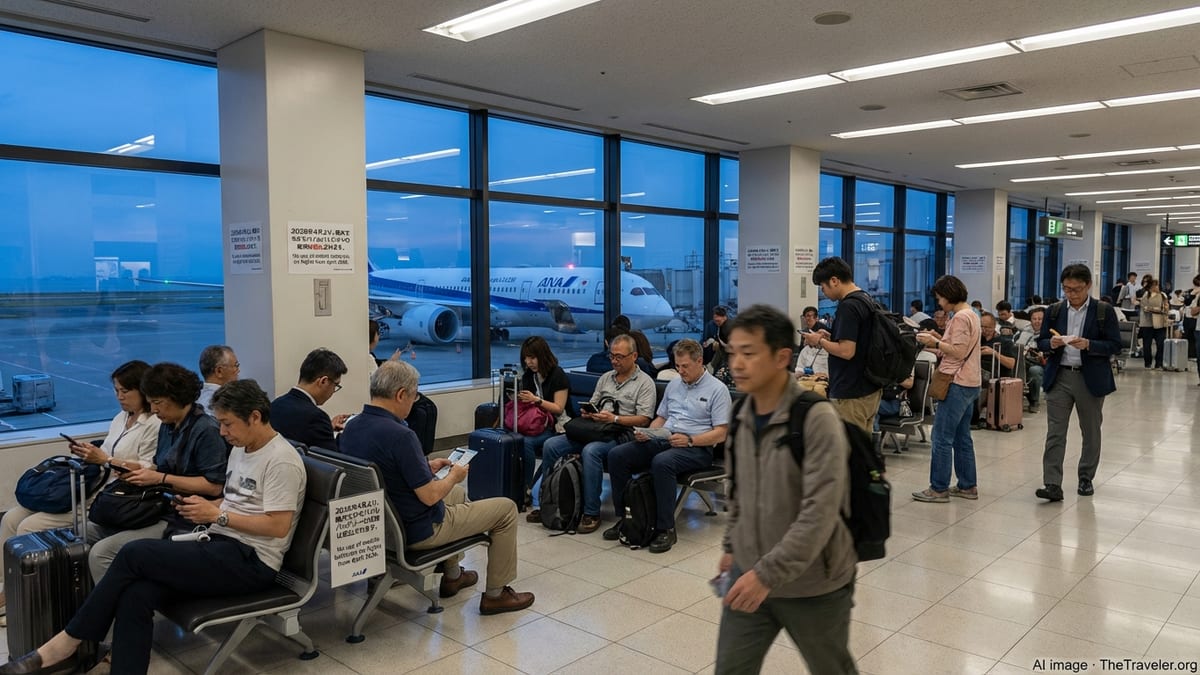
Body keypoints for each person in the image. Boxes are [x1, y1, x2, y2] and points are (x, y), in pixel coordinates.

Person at [0, 379, 306, 675]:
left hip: (253, 561)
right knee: (137, 593)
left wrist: (217, 516)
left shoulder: (281, 461)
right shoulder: (242, 449)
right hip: (220, 542)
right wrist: (210, 509)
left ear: (255, 417)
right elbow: (236, 502)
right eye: (221, 423)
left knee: (134, 553)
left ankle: (65, 645)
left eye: (228, 424)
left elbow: (277, 526)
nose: (223, 432)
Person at [714, 304, 857, 675]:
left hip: (814, 584)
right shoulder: (741, 412)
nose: (737, 364)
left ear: (781, 357)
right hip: (749, 574)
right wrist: (732, 545)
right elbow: (739, 490)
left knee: (831, 668)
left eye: (749, 353)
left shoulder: (816, 418)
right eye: (733, 353)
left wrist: (767, 574)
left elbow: (820, 513)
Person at [340, 361, 535, 615]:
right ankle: (496, 595)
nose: (414, 403)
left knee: (456, 495)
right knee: (506, 509)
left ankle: (452, 575)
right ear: (400, 394)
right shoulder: (401, 435)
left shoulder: (353, 426)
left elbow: (388, 470)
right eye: (414, 395)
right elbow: (430, 496)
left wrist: (425, 466)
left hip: (380, 525)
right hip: (417, 530)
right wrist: (455, 475)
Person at [0, 360, 162, 623]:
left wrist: (105, 460)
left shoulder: (154, 424)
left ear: (142, 390)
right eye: (116, 391)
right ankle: (9, 590)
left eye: (125, 391)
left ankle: (30, 600)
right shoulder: (121, 418)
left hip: (110, 498)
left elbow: (148, 468)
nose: (119, 397)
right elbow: (107, 453)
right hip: (91, 485)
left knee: (30, 527)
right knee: (10, 519)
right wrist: (90, 454)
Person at [87, 362, 228, 581]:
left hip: (184, 517)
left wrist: (159, 478)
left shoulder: (206, 430)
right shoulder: (168, 425)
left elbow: (214, 485)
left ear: (177, 398)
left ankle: (118, 611)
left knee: (102, 552)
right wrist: (137, 471)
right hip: (160, 506)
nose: (153, 410)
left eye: (157, 403)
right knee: (86, 531)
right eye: (151, 402)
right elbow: (159, 466)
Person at [605, 339, 731, 553]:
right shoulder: (674, 385)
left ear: (699, 361)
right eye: (677, 366)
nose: (680, 371)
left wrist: (690, 440)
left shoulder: (717, 390)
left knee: (662, 462)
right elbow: (661, 418)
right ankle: (627, 517)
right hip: (666, 439)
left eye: (685, 366)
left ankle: (666, 528)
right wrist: (650, 433)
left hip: (697, 448)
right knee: (618, 455)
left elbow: (721, 432)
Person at [537, 334, 656, 534]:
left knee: (591, 452)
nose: (615, 361)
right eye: (612, 356)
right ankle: (549, 502)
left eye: (620, 357)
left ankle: (591, 512)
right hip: (595, 429)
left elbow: (644, 419)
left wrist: (614, 419)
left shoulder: (644, 383)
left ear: (634, 356)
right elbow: (594, 402)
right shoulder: (605, 378)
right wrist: (589, 413)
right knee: (552, 445)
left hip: (620, 433)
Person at [1035, 264, 1123, 502]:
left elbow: (1115, 345)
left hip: (1090, 377)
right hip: (1060, 375)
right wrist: (1050, 344)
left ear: (1088, 286)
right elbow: (1041, 341)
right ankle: (1052, 483)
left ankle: (1086, 477)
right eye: (1067, 289)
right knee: (1055, 432)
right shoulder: (1053, 310)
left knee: (1091, 430)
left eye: (1077, 289)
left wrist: (1090, 345)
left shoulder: (1103, 311)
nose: (1071, 294)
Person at [913, 275, 982, 502]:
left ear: (949, 295)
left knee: (942, 437)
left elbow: (958, 352)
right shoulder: (972, 314)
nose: (939, 303)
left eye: (940, 298)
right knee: (963, 437)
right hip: (970, 382)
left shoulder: (961, 317)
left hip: (957, 382)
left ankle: (939, 488)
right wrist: (937, 339)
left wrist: (934, 343)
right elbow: (957, 346)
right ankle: (967, 485)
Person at [801, 256, 882, 433]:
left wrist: (819, 341)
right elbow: (859, 342)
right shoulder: (866, 299)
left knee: (849, 452)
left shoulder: (848, 306)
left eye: (823, 287)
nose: (823, 292)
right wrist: (831, 337)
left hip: (851, 392)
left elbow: (846, 351)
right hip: (869, 388)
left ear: (834, 280)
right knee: (862, 451)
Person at [513, 336, 568, 499]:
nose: (529, 362)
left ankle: (529, 486)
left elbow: (559, 408)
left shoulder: (557, 374)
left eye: (532, 358)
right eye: (526, 358)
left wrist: (536, 400)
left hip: (557, 425)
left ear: (542, 356)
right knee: (518, 439)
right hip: (537, 423)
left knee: (528, 443)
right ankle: (523, 485)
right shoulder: (529, 376)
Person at [270, 347, 349, 449]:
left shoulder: (276, 404)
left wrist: (327, 428)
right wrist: (347, 434)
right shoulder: (316, 418)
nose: (334, 391)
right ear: (323, 381)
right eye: (335, 385)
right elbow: (333, 460)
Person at [1137, 278, 1169, 370]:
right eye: (1155, 285)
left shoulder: (1163, 295)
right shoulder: (1145, 296)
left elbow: (1165, 308)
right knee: (1147, 345)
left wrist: (1156, 309)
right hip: (1147, 324)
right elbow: (1145, 308)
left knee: (1160, 344)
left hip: (1160, 323)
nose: (1157, 287)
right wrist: (1157, 309)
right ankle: (1148, 363)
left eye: (1158, 285)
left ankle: (1158, 363)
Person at [196, 345, 239, 411]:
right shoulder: (222, 403)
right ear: (219, 371)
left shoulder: (198, 397)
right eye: (236, 365)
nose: (238, 370)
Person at [1023, 307, 1047, 413]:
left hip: (1041, 364)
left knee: (1034, 371)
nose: (1037, 321)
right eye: (1034, 319)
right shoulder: (1024, 331)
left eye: (1040, 319)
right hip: (1023, 360)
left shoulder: (1049, 334)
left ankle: (1034, 401)